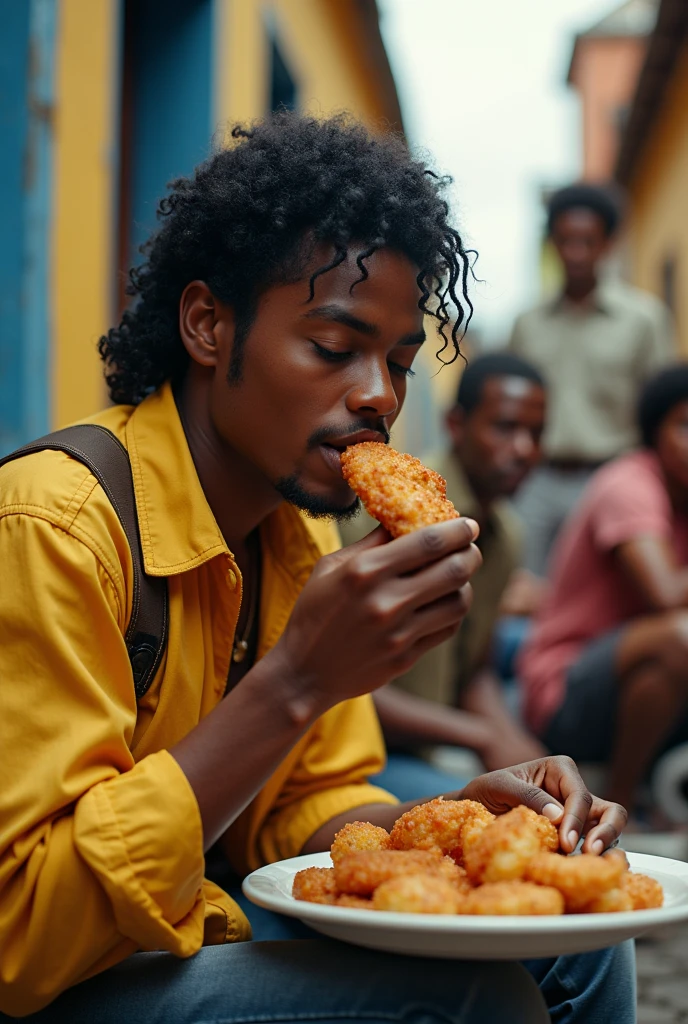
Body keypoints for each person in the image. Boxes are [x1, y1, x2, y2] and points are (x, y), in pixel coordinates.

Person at [0, 113, 631, 1024]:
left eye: (400, 361)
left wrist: (462, 828)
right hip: (58, 975)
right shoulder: (57, 528)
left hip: (186, 921)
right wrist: (294, 682)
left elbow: (306, 810)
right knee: (471, 999)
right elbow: (22, 936)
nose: (378, 394)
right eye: (335, 349)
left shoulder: (295, 539)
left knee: (578, 937)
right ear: (209, 324)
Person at [340, 354, 549, 801]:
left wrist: (511, 742)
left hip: (427, 751)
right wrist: (479, 735)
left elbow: (475, 669)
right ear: (456, 425)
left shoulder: (506, 534)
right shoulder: (387, 515)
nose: (524, 449)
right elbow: (339, 685)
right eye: (505, 428)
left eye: (536, 434)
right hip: (357, 755)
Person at [520, 363, 688, 817]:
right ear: (655, 431)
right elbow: (668, 596)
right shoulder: (629, 484)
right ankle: (622, 803)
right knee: (680, 637)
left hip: (646, 686)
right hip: (565, 690)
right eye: (685, 426)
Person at [509, 183, 674, 577]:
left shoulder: (644, 320)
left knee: (605, 596)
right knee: (524, 595)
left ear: (608, 245)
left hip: (614, 480)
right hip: (538, 484)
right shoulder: (526, 325)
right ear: (552, 244)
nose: (576, 253)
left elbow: (662, 411)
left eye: (588, 241)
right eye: (565, 240)